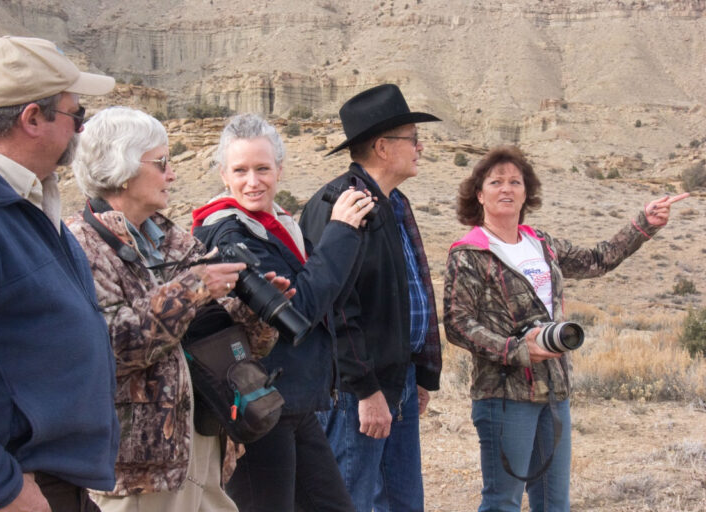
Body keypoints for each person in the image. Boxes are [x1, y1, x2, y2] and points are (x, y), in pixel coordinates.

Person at [443, 145, 688, 512]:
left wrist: (644, 224)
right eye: (496, 182)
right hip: (505, 395)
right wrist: (516, 350)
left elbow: (598, 259)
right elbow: (458, 323)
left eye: (515, 181)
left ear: (526, 192)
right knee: (502, 502)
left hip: (554, 391)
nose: (506, 188)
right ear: (479, 194)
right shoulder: (470, 253)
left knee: (554, 502)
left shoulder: (541, 244)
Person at [66, 107, 286, 512]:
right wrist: (193, 289)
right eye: (161, 162)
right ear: (122, 168)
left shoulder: (176, 243)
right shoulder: (82, 246)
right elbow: (109, 348)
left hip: (207, 446)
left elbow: (231, 341)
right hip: (142, 471)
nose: (172, 174)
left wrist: (258, 314)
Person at [0, 36, 118, 512]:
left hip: (45, 485)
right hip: (9, 493)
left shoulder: (18, 200)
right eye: (76, 115)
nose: (81, 128)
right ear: (33, 118)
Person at [192, 113, 374, 511]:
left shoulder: (277, 225)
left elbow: (324, 293)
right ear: (223, 175)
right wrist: (341, 231)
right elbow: (298, 313)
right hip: (256, 401)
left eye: (262, 169)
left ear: (280, 170)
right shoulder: (228, 233)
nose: (252, 182)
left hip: (288, 399)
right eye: (240, 170)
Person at [299, 83, 443, 512]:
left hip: (396, 379)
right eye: (412, 139)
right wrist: (366, 390)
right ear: (382, 146)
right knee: (349, 499)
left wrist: (418, 373)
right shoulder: (341, 203)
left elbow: (407, 292)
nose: (420, 147)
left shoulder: (393, 203)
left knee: (402, 502)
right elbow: (335, 307)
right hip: (356, 390)